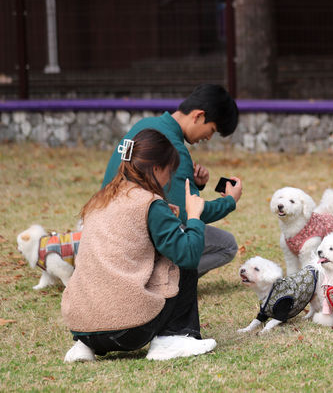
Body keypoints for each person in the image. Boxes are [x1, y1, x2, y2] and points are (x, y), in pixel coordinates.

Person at [62, 128, 242, 362]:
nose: (170, 180)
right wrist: (195, 217)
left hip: (82, 326)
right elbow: (188, 254)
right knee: (184, 242)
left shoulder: (100, 198)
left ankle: (84, 347)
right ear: (157, 169)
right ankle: (174, 336)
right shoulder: (150, 204)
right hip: (128, 331)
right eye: (171, 172)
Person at [103, 83, 242, 278]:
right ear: (199, 116)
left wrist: (195, 184)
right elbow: (189, 213)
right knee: (227, 246)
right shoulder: (174, 147)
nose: (209, 138)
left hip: (107, 226)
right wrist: (229, 201)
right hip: (135, 237)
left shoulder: (144, 126)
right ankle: (160, 278)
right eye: (211, 130)